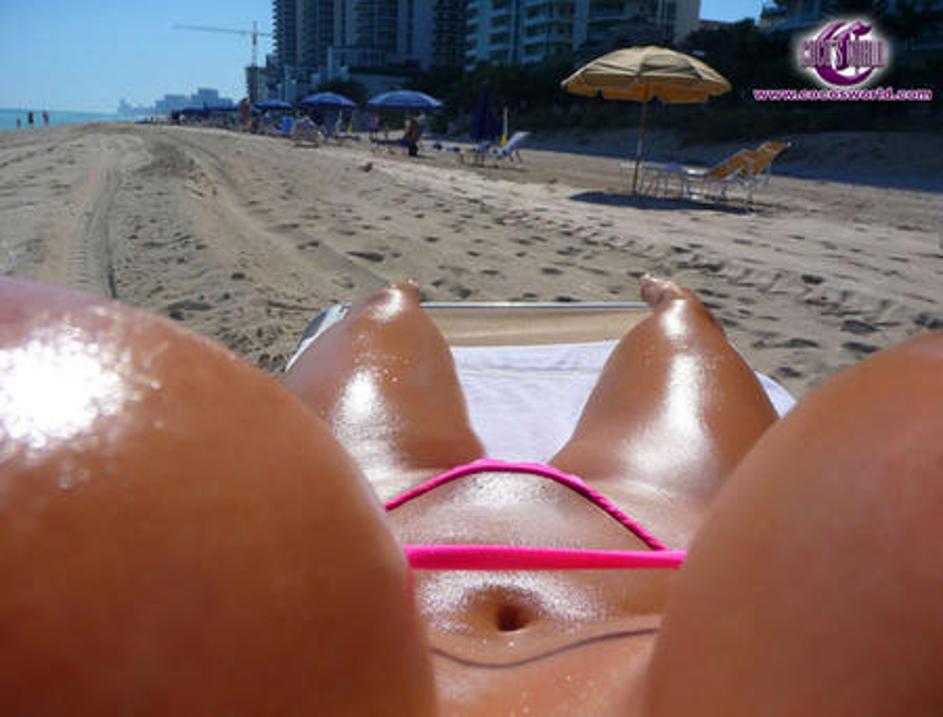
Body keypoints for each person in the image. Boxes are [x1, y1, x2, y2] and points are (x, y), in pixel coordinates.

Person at [1, 275, 941, 715]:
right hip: (656, 529)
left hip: (384, 510)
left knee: (381, 322)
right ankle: (671, 301)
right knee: (681, 338)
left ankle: (396, 293)